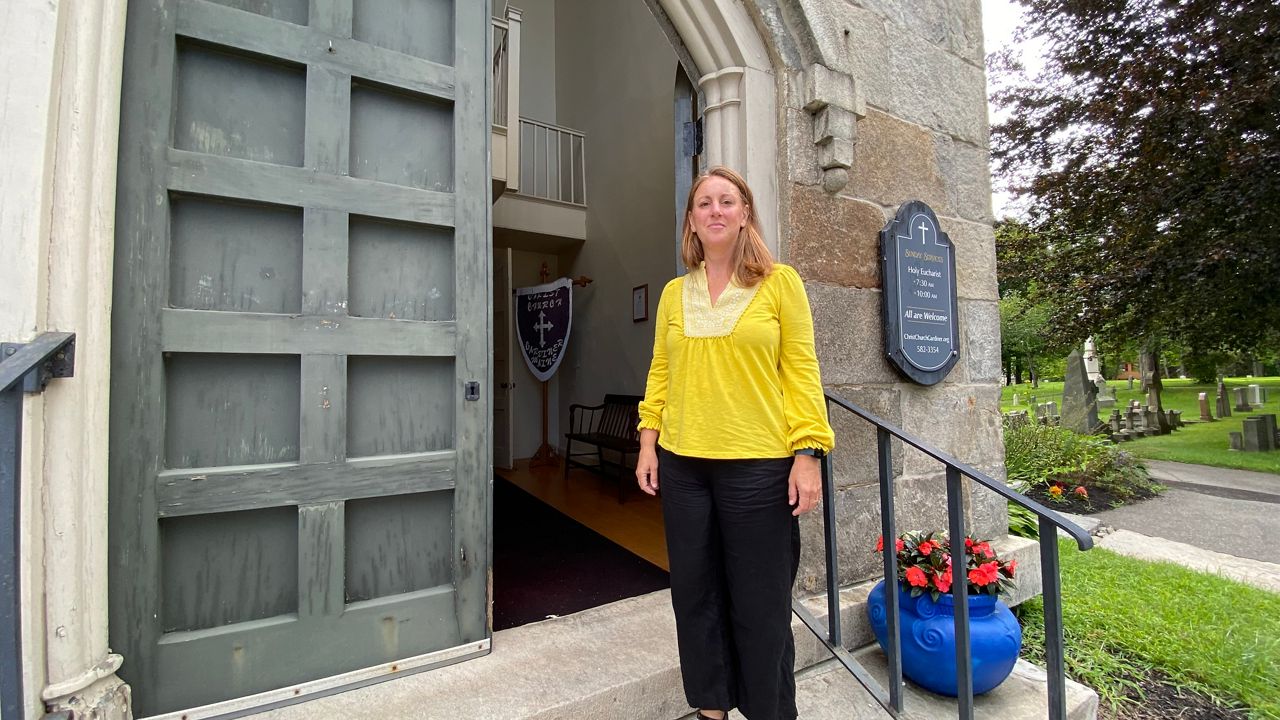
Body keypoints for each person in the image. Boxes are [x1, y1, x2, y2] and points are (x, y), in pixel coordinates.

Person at [635, 166, 834, 720]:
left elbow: (801, 371)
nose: (716, 210)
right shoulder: (676, 294)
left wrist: (808, 453)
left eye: (727, 201)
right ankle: (711, 710)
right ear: (692, 222)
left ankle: (770, 712)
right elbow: (660, 374)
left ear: (744, 213)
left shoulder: (779, 283)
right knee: (695, 597)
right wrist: (648, 443)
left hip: (759, 467)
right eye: (704, 203)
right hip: (683, 466)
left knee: (761, 604)